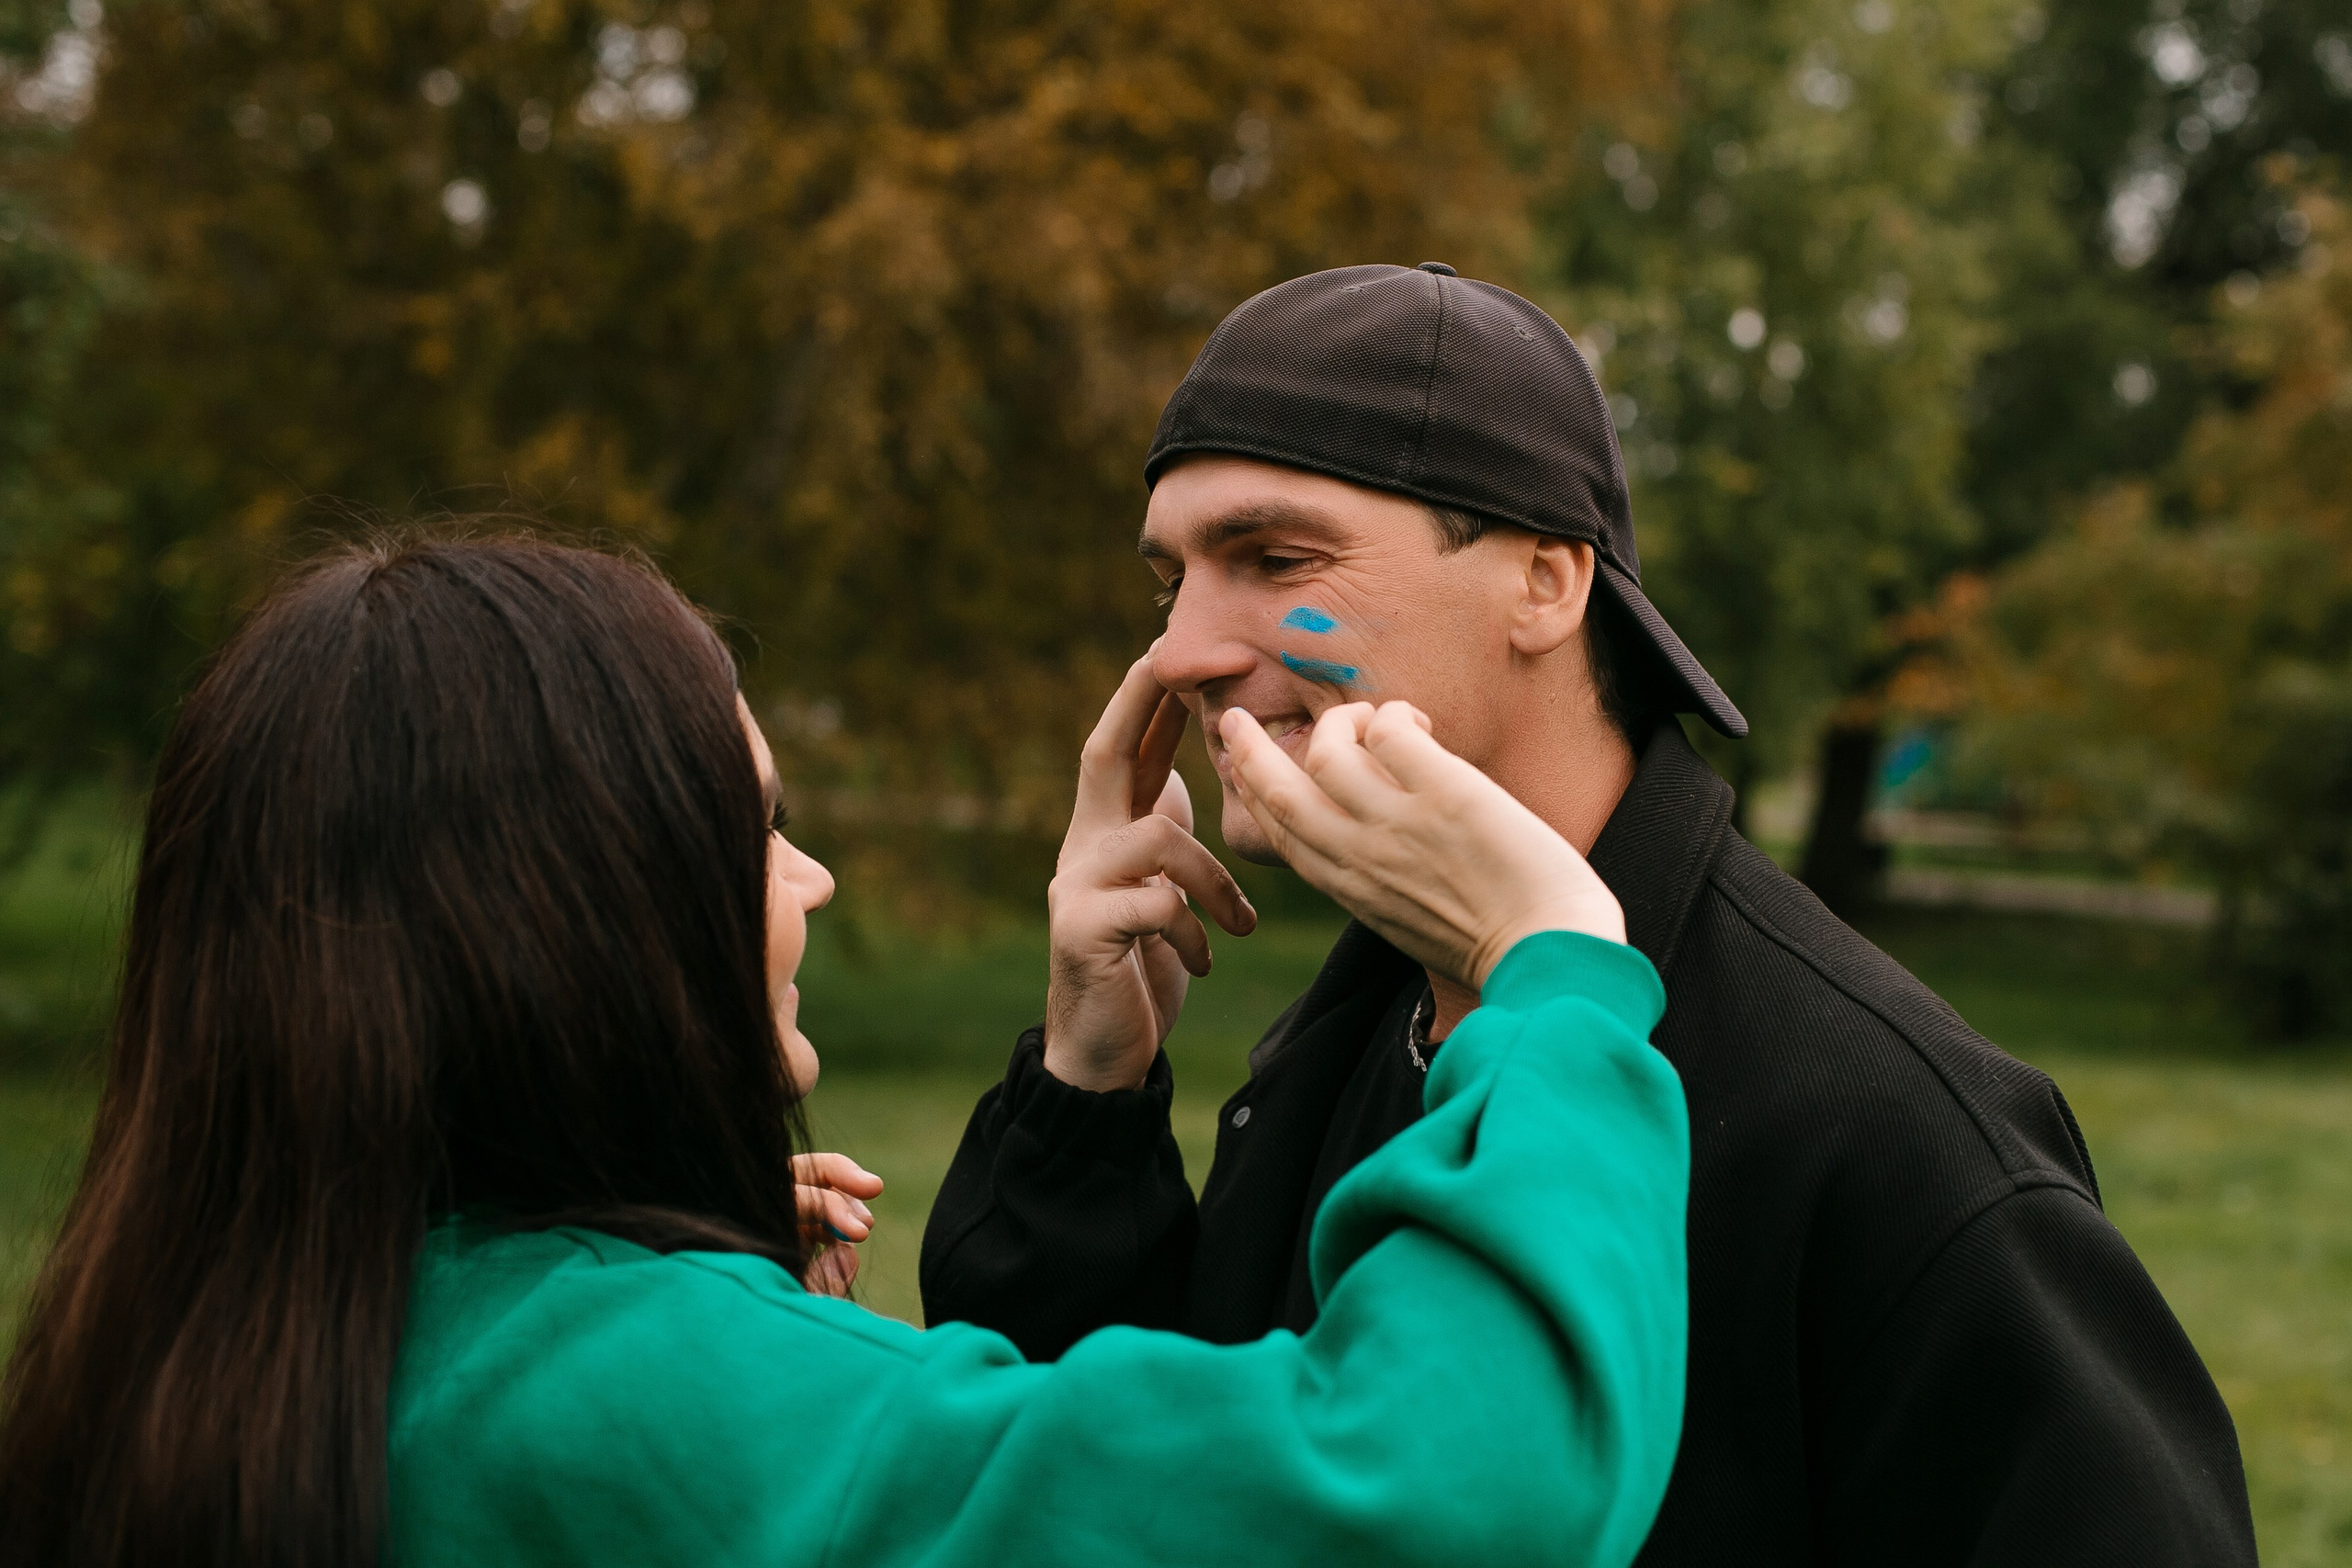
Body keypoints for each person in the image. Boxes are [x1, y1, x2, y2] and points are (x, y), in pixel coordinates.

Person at [0, 535, 1690, 1568]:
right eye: (757, 829)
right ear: (573, 915)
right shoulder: (655, 1408)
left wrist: (738, 1316)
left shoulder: (197, 1340)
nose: (809, 878)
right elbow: (1451, 1498)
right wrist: (1549, 973)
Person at [921, 264, 2259, 1564]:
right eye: (1171, 582)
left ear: (1548, 583)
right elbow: (1135, 1500)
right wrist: (1086, 1102)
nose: (1186, 650)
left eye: (1274, 557)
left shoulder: (1888, 1131)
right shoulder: (1360, 1027)